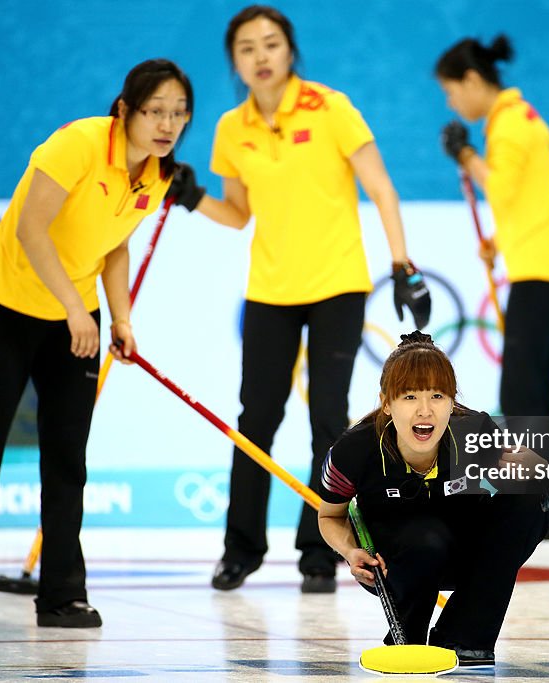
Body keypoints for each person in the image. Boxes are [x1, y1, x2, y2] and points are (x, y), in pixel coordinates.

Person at [0, 58, 194, 630]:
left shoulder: (158, 175)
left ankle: (62, 595)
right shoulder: (80, 144)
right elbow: (30, 229)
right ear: (125, 111)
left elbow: (114, 248)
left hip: (76, 318)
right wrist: (74, 310)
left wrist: (121, 319)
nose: (167, 124)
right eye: (155, 111)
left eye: (179, 114)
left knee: (67, 461)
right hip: (8, 308)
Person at [167, 4, 431, 593]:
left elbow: (381, 187)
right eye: (246, 48)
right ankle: (240, 549)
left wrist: (401, 265)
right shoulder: (232, 129)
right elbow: (237, 215)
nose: (260, 57)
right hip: (270, 291)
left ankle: (320, 550)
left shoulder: (331, 107)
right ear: (234, 60)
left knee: (326, 420)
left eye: (271, 44)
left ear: (290, 51)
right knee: (254, 420)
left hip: (338, 285)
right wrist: (191, 198)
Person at [435, 35, 549, 539]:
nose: (452, 102)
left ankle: (542, 517)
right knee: (533, 398)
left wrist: (465, 154)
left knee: (522, 398)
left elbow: (500, 186)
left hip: (543, 274)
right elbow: (532, 198)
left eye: (452, 91)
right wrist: (498, 240)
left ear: (473, 81)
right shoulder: (524, 118)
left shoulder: (507, 124)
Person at [317, 331, 549, 668]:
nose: (425, 411)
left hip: (463, 553)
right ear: (387, 402)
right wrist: (351, 551)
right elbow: (330, 517)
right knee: (426, 537)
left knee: (530, 501)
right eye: (409, 397)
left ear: (451, 402)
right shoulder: (354, 451)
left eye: (437, 396)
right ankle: (406, 637)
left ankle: (463, 637)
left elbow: (535, 473)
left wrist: (524, 466)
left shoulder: (473, 433)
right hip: (395, 563)